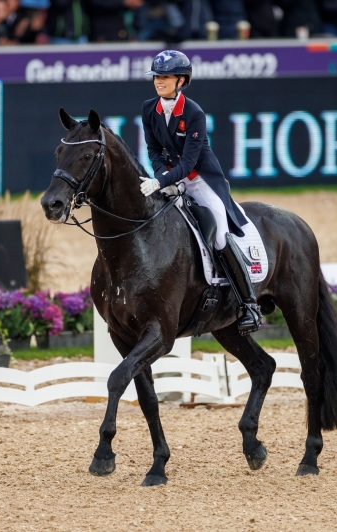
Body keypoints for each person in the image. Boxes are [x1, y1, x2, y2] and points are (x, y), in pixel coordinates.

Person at [139, 50, 262, 335]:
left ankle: (249, 304)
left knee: (219, 233)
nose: (159, 82)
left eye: (165, 77)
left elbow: (189, 163)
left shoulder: (194, 113)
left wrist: (160, 181)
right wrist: (162, 178)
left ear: (181, 80)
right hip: (171, 178)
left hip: (201, 180)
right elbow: (153, 150)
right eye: (157, 76)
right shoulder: (149, 108)